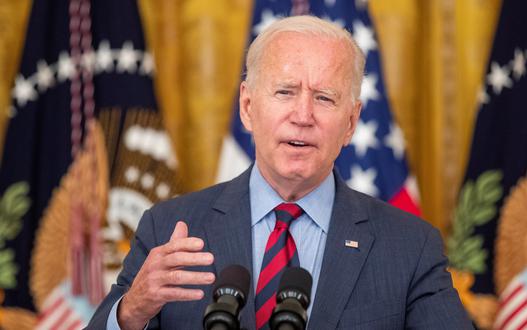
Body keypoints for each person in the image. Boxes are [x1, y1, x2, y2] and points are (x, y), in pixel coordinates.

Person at [87, 15, 472, 330]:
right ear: (248, 106)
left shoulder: (408, 246)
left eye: (324, 98)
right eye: (285, 92)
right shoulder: (169, 230)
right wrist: (131, 312)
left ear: (351, 122)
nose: (302, 116)